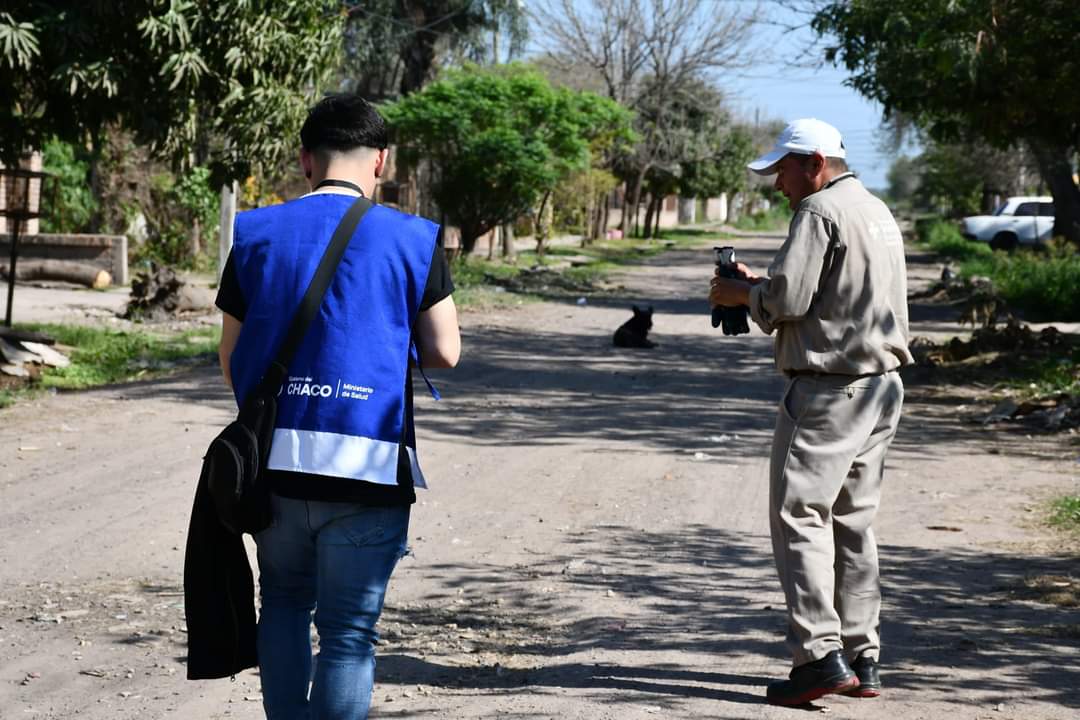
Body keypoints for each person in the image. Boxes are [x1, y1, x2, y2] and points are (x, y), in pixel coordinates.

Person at [215, 94, 461, 720]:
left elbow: (232, 357)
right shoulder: (415, 238)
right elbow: (444, 352)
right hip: (369, 465)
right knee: (349, 635)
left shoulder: (254, 232)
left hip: (273, 464)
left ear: (304, 160)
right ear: (381, 161)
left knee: (285, 607)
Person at [709, 118, 913, 707]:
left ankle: (820, 657)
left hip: (829, 392)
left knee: (799, 517)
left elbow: (788, 302)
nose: (779, 184)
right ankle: (863, 655)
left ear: (814, 162)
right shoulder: (874, 209)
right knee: (853, 524)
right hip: (880, 388)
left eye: (783, 170)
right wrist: (761, 286)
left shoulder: (818, 212)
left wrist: (740, 295)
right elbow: (831, 293)